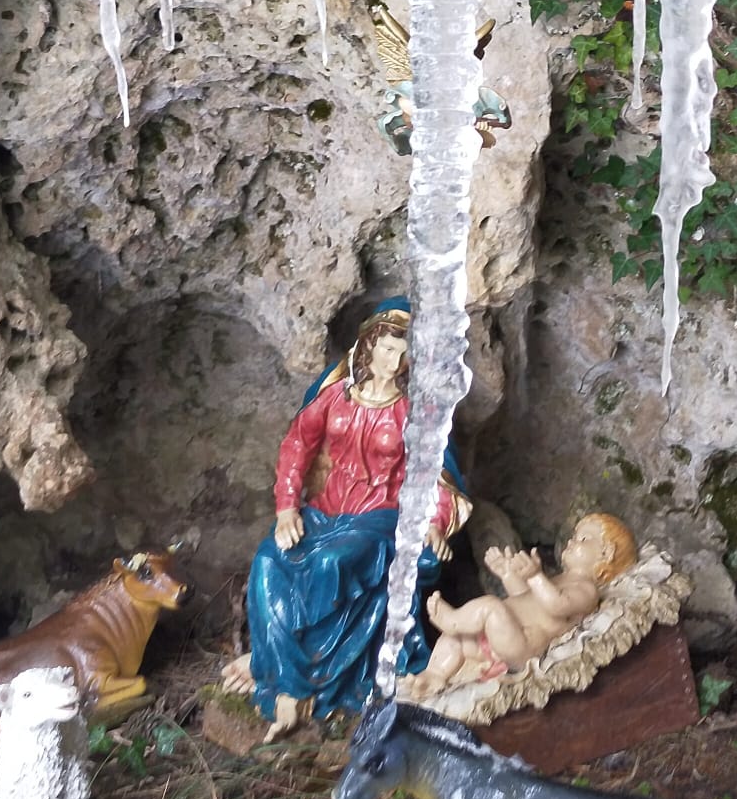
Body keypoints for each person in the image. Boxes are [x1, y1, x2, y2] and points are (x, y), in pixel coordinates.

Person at [221, 301, 469, 741]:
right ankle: (272, 662)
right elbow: (297, 446)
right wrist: (286, 508)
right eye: (388, 350)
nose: (395, 362)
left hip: (378, 518)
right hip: (325, 510)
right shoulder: (335, 395)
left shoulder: (414, 410)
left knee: (330, 563)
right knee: (267, 560)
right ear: (369, 347)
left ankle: (296, 689)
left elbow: (436, 470)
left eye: (404, 353)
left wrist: (434, 520)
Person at [405, 513, 636, 698]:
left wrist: (536, 576)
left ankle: (453, 621)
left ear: (605, 553)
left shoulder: (587, 590)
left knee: (490, 607)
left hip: (522, 646)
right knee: (453, 639)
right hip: (504, 636)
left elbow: (557, 605)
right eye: (575, 535)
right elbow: (524, 598)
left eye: (584, 539)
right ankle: (433, 676)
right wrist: (507, 574)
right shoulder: (557, 579)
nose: (572, 540)